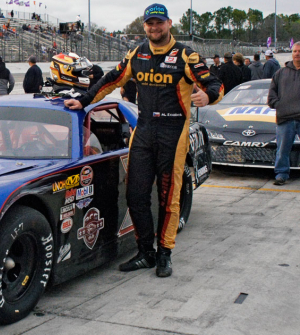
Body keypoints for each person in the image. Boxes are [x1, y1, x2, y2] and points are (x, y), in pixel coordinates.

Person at [64, 3, 223, 278]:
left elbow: (215, 83)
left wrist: (208, 96)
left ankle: (164, 254)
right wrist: (84, 99)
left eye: (159, 23)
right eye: (149, 23)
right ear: (145, 26)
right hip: (144, 131)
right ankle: (145, 252)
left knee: (168, 198)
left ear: (169, 24)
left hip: (173, 133)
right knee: (135, 195)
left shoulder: (186, 54)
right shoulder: (137, 53)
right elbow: (112, 80)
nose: (154, 27)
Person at [268, 42, 300, 185]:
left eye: (299, 51)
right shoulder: (281, 72)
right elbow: (272, 92)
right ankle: (281, 174)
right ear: (291, 53)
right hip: (285, 119)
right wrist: (278, 104)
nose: (297, 53)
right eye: (295, 51)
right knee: (282, 150)